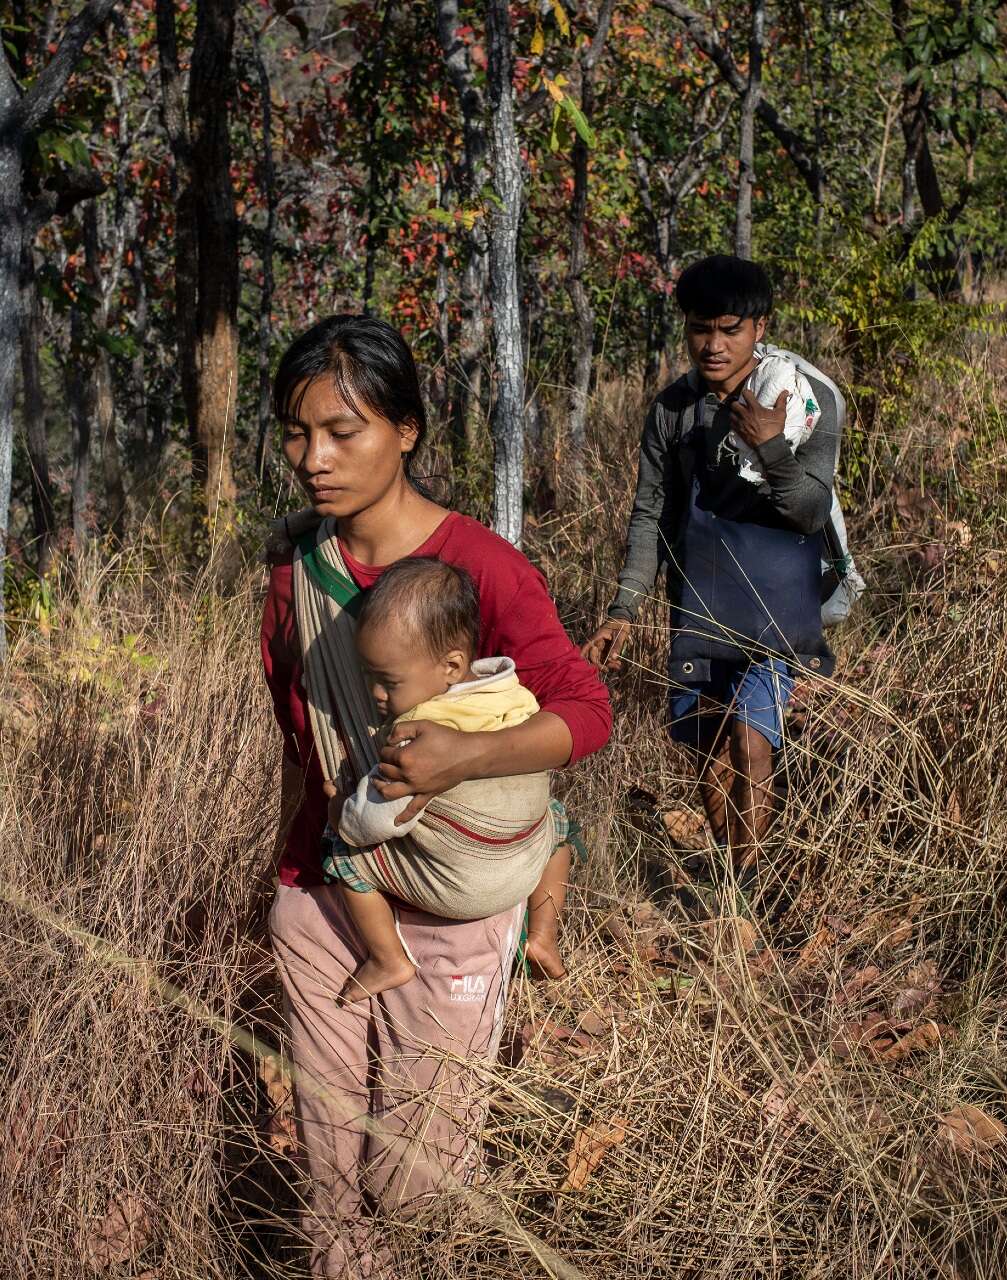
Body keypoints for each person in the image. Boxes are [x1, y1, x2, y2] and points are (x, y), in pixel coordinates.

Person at [261, 313, 610, 1277]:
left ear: (406, 431)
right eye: (297, 434)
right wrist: (298, 875)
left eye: (343, 432)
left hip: (453, 909)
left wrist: (462, 757)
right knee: (328, 1163)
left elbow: (586, 711)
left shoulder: (481, 568)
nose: (314, 459)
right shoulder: (296, 575)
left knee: (420, 1172)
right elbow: (300, 739)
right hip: (327, 896)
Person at [581, 254, 837, 898]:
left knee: (752, 737)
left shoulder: (803, 400)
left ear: (760, 327)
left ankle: (748, 894)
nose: (714, 345)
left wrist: (770, 447)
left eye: (730, 329)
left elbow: (809, 509)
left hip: (775, 602)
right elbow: (652, 512)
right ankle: (731, 872)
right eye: (700, 329)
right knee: (707, 743)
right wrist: (623, 607)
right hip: (697, 602)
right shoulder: (674, 410)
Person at [317, 555, 570, 1005]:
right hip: (524, 866)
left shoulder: (415, 734)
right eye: (368, 676)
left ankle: (387, 958)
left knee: (341, 855)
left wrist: (341, 812)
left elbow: (373, 822)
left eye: (387, 681)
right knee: (560, 823)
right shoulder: (511, 692)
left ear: (452, 666)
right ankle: (543, 934)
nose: (374, 693)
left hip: (464, 890)